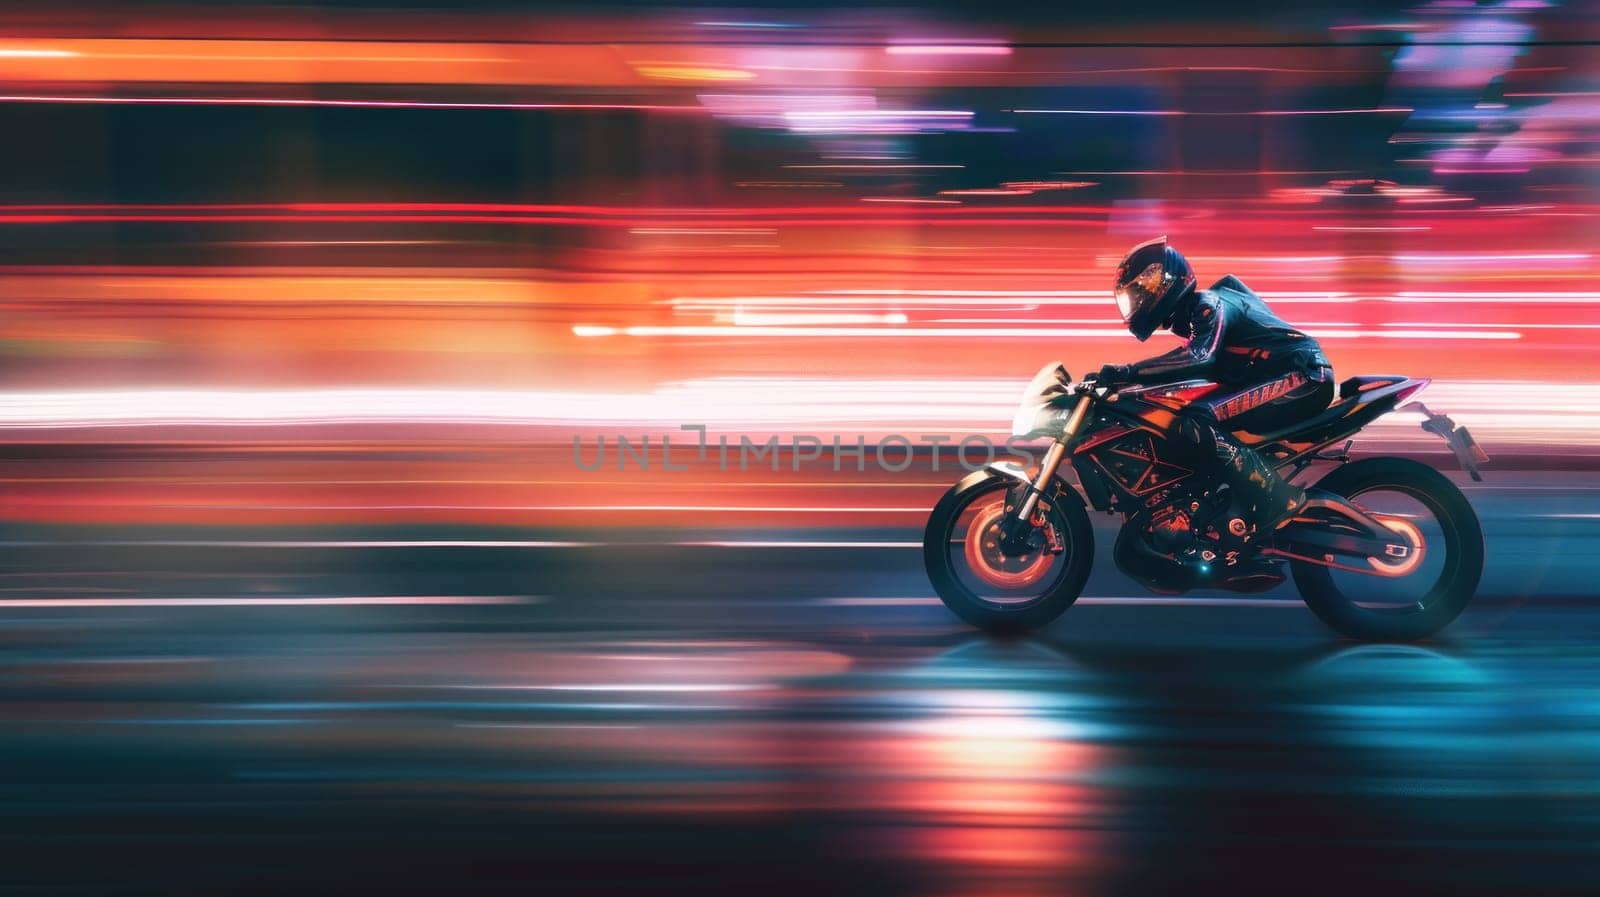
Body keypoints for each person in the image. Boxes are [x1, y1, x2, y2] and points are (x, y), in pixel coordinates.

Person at [1094, 235, 1334, 539]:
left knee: (1197, 417)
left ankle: (1274, 498)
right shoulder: (1200, 317)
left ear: (1164, 284)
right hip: (1277, 378)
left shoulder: (1209, 303)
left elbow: (1199, 357)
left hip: (1302, 376)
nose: (1139, 300)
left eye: (1142, 291)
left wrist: (1128, 372)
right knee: (1181, 410)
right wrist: (1133, 384)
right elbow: (1188, 362)